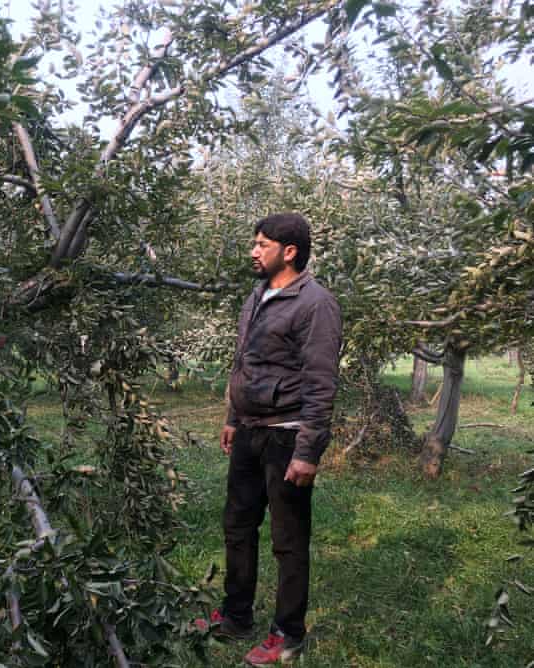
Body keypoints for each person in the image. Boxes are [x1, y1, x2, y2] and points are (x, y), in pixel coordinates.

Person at [212, 213, 342, 665]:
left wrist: (308, 452)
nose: (253, 250)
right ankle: (236, 616)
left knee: (288, 540)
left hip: (286, 437)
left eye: (262, 243)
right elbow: (245, 361)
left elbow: (321, 383)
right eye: (254, 242)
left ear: (289, 251)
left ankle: (288, 633)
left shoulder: (316, 303)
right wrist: (233, 415)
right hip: (249, 431)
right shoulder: (259, 294)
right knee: (238, 526)